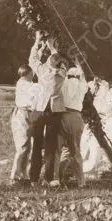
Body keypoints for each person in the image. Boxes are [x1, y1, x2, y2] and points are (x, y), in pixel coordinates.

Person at [28, 31, 67, 187]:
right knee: (51, 144)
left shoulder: (42, 70)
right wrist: (53, 48)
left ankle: (33, 178)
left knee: (37, 143)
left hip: (40, 108)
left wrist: (38, 41)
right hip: (55, 109)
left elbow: (32, 59)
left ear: (47, 62)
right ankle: (48, 178)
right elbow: (60, 63)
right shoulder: (61, 73)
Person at [59, 65, 87, 187]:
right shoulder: (82, 85)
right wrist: (79, 64)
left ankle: (59, 178)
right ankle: (80, 181)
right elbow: (83, 78)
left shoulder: (64, 83)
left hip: (63, 116)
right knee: (75, 149)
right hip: (76, 116)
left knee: (65, 149)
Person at [10, 65, 36, 185]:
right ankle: (14, 177)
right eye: (32, 73)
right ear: (27, 74)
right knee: (22, 147)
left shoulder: (24, 82)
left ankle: (22, 174)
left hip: (26, 113)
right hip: (22, 114)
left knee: (26, 147)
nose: (33, 74)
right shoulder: (25, 84)